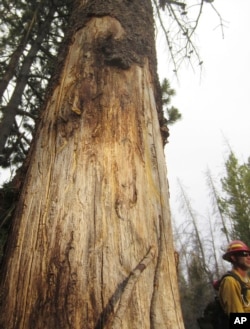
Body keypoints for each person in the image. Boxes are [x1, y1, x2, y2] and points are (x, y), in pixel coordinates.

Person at [219, 240, 250, 315]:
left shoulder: (247, 281)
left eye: (249, 254)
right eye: (244, 254)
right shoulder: (230, 282)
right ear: (233, 257)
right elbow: (238, 320)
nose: (248, 257)